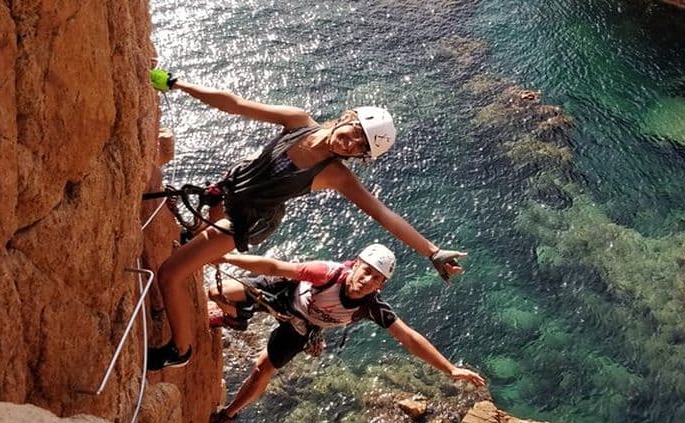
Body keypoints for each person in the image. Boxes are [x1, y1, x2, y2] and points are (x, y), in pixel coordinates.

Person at [146, 69, 468, 371]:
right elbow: (236, 104)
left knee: (171, 273)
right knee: (195, 247)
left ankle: (181, 350)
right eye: (356, 133)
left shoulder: (334, 175)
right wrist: (177, 84)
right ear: (348, 117)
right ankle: (199, 288)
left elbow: (384, 214)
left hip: (248, 221)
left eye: (360, 148)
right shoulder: (298, 121)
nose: (351, 144)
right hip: (228, 194)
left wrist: (432, 251)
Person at [204, 244, 486, 423]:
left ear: (380, 286)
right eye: (366, 271)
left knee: (262, 368)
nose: (366, 280)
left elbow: (409, 338)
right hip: (285, 293)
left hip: (303, 325)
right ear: (355, 265)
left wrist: (450, 369)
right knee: (216, 290)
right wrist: (227, 259)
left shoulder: (372, 307)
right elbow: (277, 266)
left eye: (375, 279)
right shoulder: (328, 273)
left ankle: (227, 415)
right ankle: (235, 317)